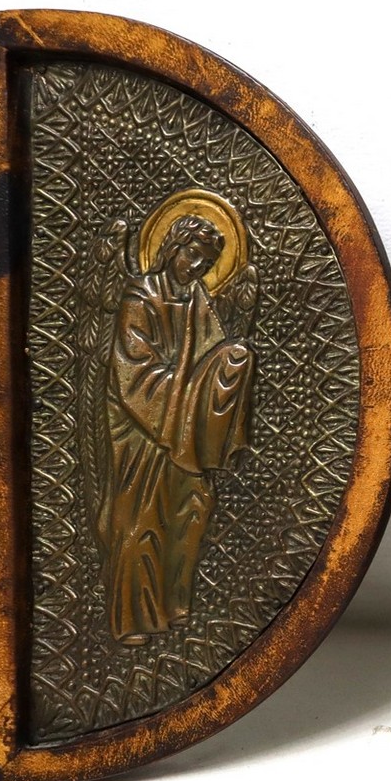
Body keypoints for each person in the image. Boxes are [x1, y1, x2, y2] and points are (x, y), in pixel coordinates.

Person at [95, 214, 255, 645]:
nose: (197, 267)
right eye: (193, 255)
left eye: (206, 263)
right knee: (142, 519)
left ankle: (175, 603)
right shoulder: (140, 297)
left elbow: (211, 354)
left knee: (193, 508)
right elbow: (133, 376)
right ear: (171, 248)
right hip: (143, 431)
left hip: (182, 431)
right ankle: (132, 618)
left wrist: (228, 362)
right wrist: (185, 394)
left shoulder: (197, 297)